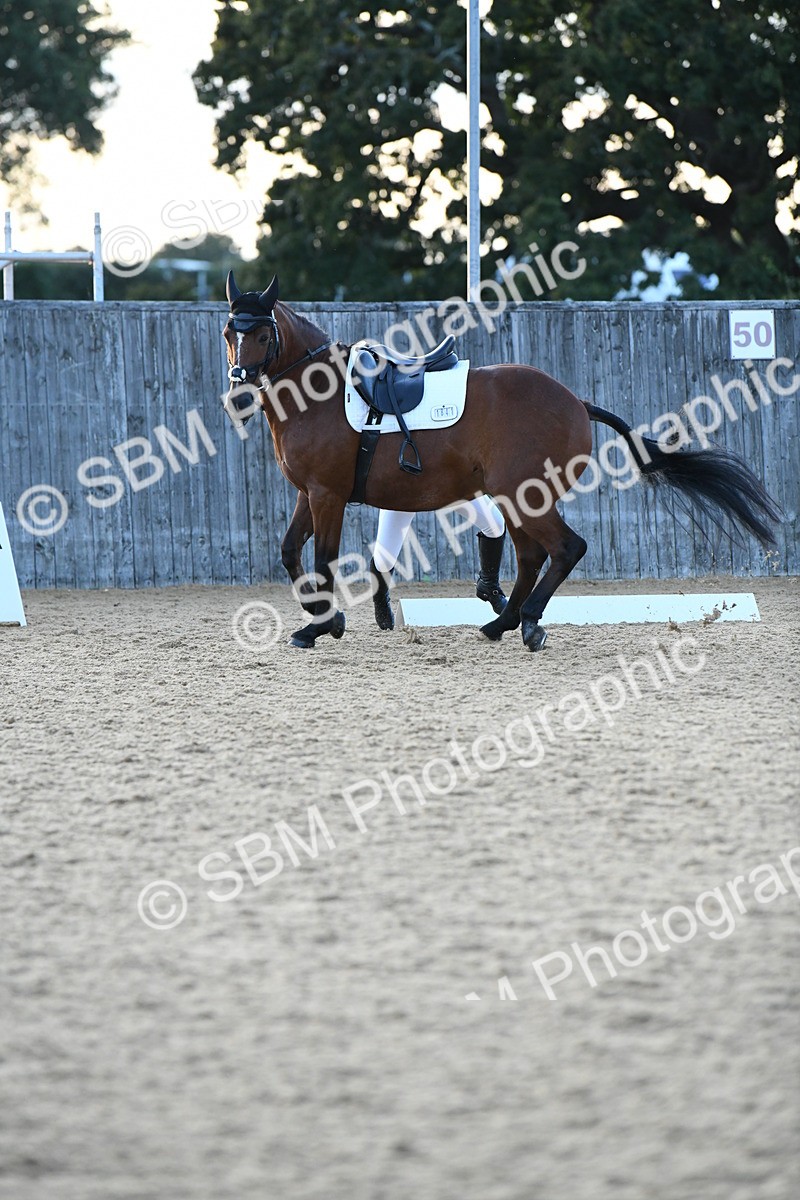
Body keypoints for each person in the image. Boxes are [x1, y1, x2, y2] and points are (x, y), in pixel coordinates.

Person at [369, 496, 507, 630]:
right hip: (406, 489)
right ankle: (380, 597)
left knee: (496, 525)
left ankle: (489, 585)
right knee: (384, 562)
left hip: (451, 485)